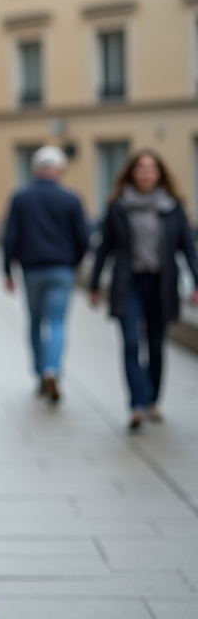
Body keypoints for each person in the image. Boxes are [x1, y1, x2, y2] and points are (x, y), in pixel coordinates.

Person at [88, 150, 198, 431]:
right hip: (129, 284)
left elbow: (187, 247)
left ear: (159, 173)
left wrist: (196, 283)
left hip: (161, 284)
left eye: (151, 169)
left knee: (157, 345)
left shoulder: (172, 206)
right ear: (132, 173)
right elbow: (104, 248)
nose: (146, 173)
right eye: (141, 168)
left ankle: (152, 400)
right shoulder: (118, 206)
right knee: (131, 344)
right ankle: (136, 404)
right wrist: (94, 284)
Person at [2, 146, 89, 404]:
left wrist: (7, 269)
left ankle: (41, 373)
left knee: (35, 322)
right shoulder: (71, 199)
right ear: (60, 170)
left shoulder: (20, 197)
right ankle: (53, 368)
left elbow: (10, 238)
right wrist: (75, 261)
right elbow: (83, 238)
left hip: (32, 269)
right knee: (58, 322)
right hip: (61, 268)